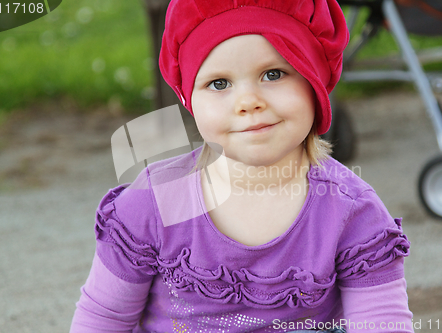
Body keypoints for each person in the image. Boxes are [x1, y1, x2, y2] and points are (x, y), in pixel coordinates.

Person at [70, 0, 414, 332]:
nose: (248, 101)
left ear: (314, 81)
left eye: (273, 74)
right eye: (219, 83)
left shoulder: (353, 213)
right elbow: (104, 318)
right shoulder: (154, 201)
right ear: (189, 99)